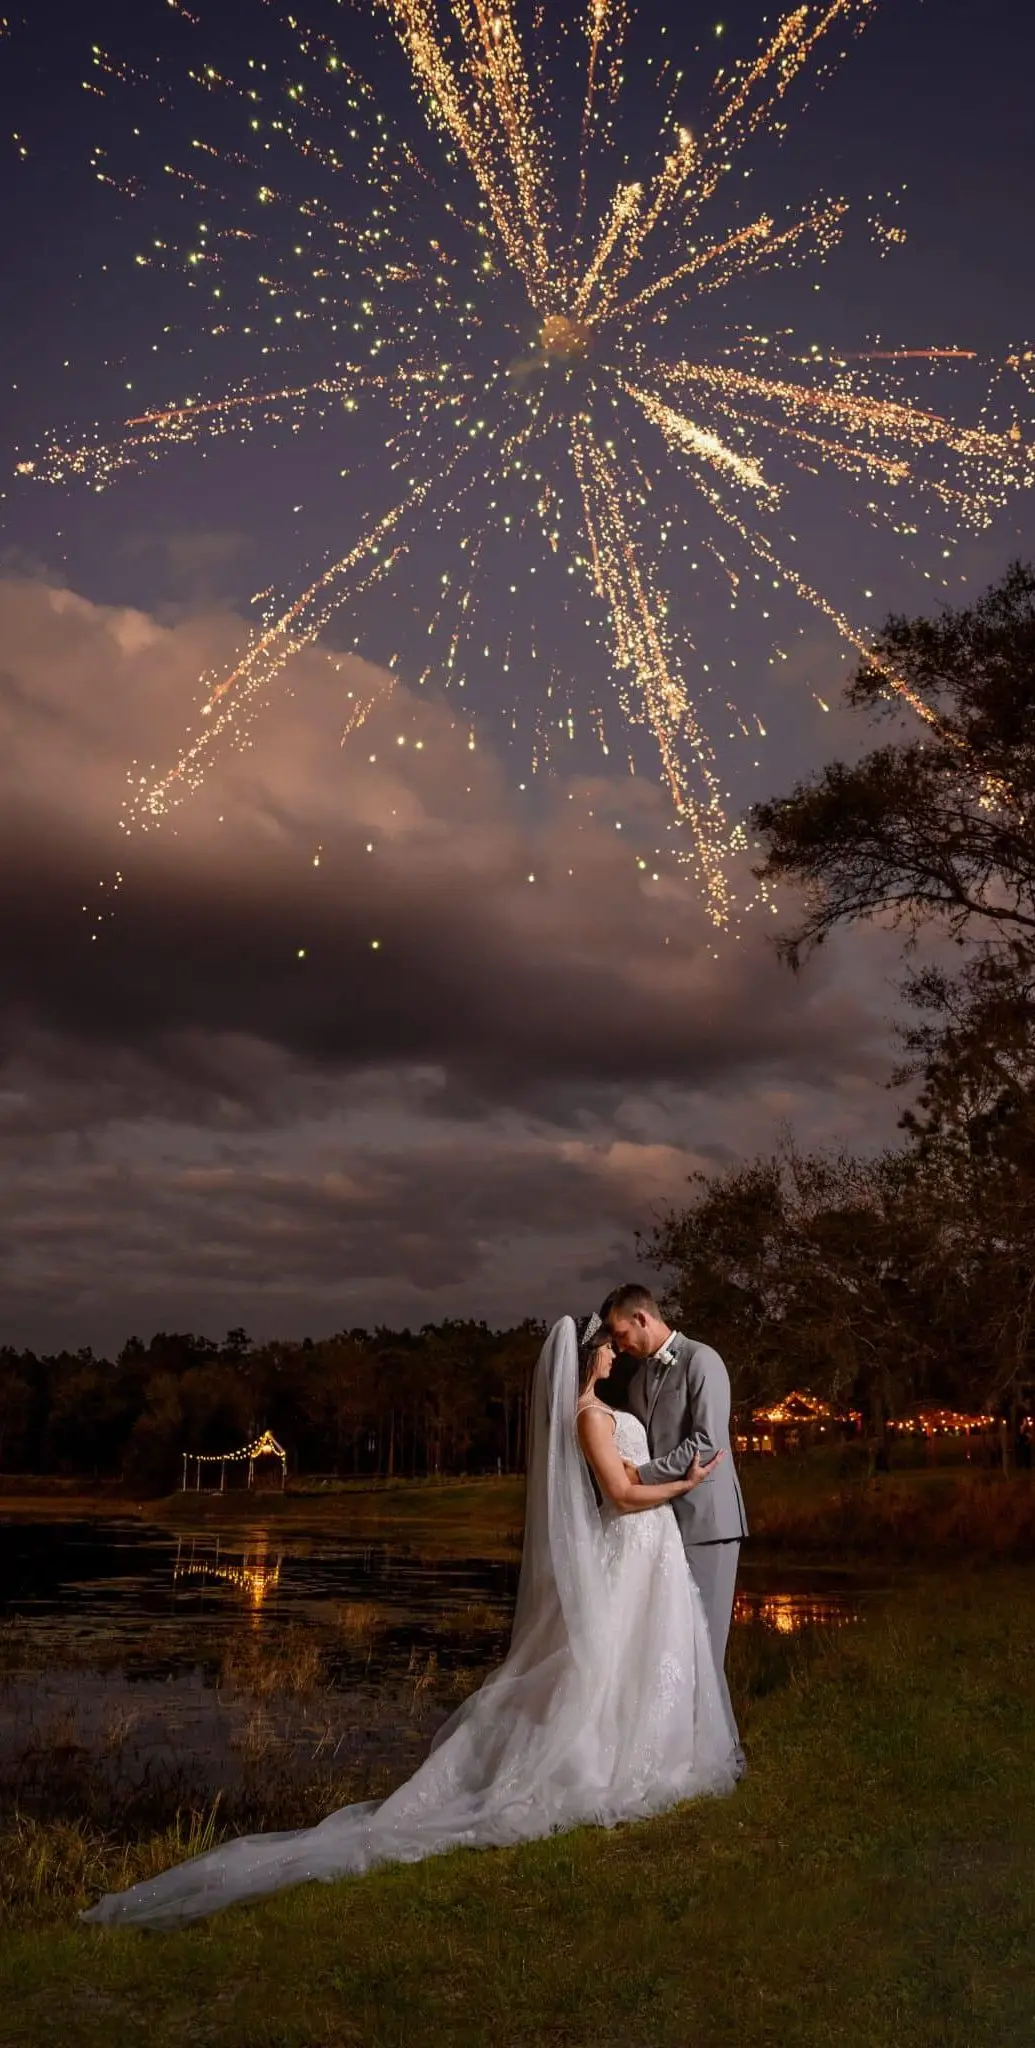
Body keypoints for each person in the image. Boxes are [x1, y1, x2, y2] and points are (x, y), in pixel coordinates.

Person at [81, 1315, 739, 1930]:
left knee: (632, 1657)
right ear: (585, 1356)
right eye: (605, 1344)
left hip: (644, 1548)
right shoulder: (588, 1413)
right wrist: (681, 1486)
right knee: (606, 1660)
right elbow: (621, 1494)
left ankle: (642, 1746)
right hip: (633, 1536)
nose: (613, 1352)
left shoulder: (607, 1403)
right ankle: (609, 1760)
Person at [600, 1283, 747, 1731]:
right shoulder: (641, 1377)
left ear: (642, 1318)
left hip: (708, 1522)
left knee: (707, 1643)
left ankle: (725, 1755)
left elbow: (707, 1442)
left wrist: (641, 1476)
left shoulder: (703, 1360)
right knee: (676, 1643)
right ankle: (686, 1750)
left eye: (620, 1332)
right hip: (662, 1525)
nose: (619, 1345)